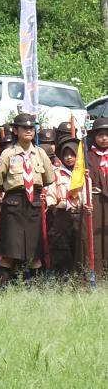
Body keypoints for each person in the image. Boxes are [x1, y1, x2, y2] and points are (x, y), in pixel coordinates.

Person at [0, 113, 55, 286]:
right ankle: (1, 292)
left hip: (33, 206)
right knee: (10, 251)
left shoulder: (40, 154)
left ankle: (35, 293)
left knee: (34, 253)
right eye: (24, 128)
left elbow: (49, 178)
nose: (28, 131)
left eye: (31, 128)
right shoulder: (7, 154)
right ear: (15, 130)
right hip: (13, 205)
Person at [46, 136, 82, 276]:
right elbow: (50, 195)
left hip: (80, 215)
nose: (68, 158)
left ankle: (79, 278)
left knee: (78, 248)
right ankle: (63, 278)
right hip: (61, 216)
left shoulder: (83, 173)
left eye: (72, 154)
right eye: (65, 154)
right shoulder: (56, 174)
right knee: (62, 249)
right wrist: (56, 204)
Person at [85, 117, 108, 276]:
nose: (104, 138)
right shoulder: (88, 156)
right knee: (97, 239)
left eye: (107, 134)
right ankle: (98, 275)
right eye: (100, 135)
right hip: (97, 202)